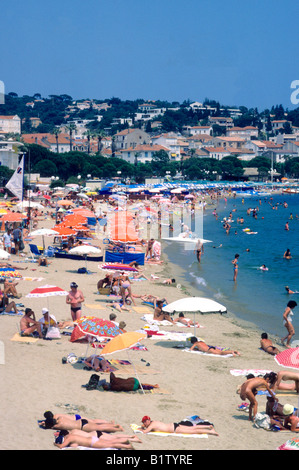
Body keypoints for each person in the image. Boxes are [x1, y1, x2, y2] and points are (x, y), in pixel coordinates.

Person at [40, 411, 124, 433]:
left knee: (99, 428)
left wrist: (44, 423)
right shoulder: (60, 418)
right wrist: (45, 421)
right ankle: (110, 424)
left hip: (82, 427)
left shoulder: (58, 426)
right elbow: (50, 422)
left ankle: (117, 428)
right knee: (95, 422)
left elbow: (49, 426)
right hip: (79, 420)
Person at [54, 430, 137, 450]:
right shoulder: (72, 434)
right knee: (111, 441)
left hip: (92, 443)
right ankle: (125, 441)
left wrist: (55, 444)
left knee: (111, 444)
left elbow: (61, 446)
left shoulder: (69, 439)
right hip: (92, 438)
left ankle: (129, 446)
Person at [139, 416, 219, 436]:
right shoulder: (153, 422)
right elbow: (147, 427)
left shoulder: (152, 425)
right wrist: (143, 426)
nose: (144, 424)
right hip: (174, 425)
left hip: (174, 429)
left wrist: (140, 429)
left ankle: (210, 431)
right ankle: (208, 427)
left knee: (193, 431)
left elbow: (145, 431)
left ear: (147, 421)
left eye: (144, 422)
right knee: (192, 427)